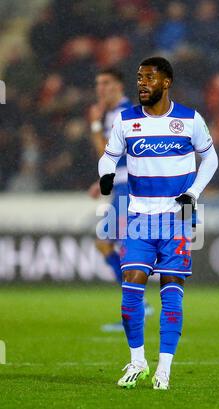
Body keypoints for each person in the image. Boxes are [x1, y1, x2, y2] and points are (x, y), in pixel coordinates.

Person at [98, 57, 218, 389]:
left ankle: (164, 368)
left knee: (171, 291)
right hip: (139, 215)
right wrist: (106, 176)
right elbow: (108, 156)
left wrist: (193, 193)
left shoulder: (190, 120)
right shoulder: (126, 121)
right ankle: (138, 361)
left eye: (149, 78)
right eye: (139, 78)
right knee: (130, 290)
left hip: (178, 216)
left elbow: (210, 157)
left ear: (166, 82)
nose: (142, 83)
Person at [88, 68, 153, 332]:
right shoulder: (119, 113)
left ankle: (138, 306)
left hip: (130, 189)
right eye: (98, 83)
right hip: (124, 185)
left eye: (106, 83)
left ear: (118, 86)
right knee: (107, 244)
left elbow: (107, 153)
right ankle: (140, 304)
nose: (100, 88)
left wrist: (93, 125)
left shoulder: (122, 114)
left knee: (116, 246)